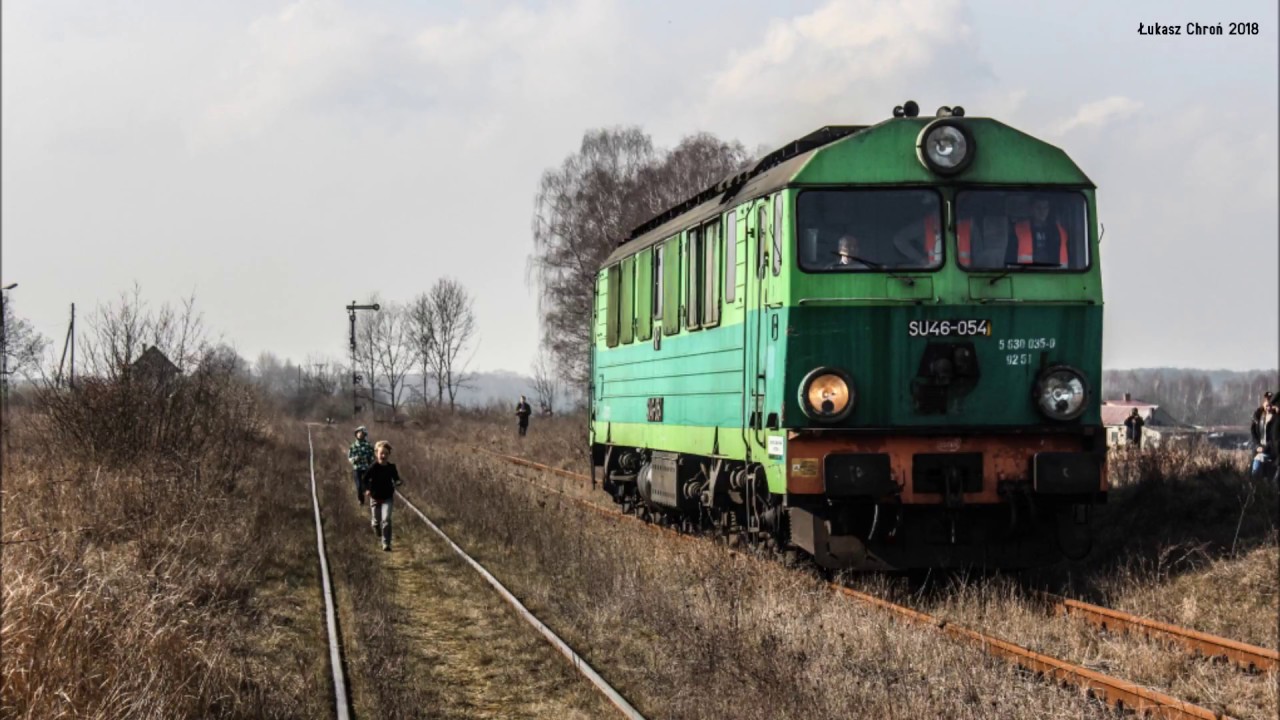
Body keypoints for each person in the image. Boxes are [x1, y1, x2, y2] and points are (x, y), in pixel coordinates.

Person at [361, 440, 403, 551]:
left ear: (389, 454)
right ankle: (375, 526)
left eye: (386, 453)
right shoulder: (373, 467)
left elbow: (396, 478)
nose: (383, 456)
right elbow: (364, 479)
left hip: (387, 497)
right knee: (376, 521)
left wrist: (398, 482)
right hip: (374, 497)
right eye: (381, 453)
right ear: (376, 454)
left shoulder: (391, 467)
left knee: (386, 519)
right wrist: (366, 490)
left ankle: (386, 543)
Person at [1005, 198, 1068, 267]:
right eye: (1038, 207)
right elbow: (1010, 257)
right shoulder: (1019, 230)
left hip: (1053, 274)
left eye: (1045, 208)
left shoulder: (1059, 231)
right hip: (1026, 274)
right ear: (1031, 209)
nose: (1042, 211)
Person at [1249, 392, 1279, 480]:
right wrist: (1257, 445)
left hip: (1273, 451)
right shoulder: (1259, 417)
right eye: (1267, 403)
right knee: (1255, 470)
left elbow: (1275, 438)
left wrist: (1267, 447)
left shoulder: (1276, 418)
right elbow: (1253, 432)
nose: (1268, 407)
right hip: (1260, 450)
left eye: (1270, 404)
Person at [347, 426, 374, 506]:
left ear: (365, 435)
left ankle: (372, 500)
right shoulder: (353, 446)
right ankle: (361, 500)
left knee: (368, 485)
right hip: (357, 468)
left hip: (366, 468)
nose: (360, 435)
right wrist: (355, 459)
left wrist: (369, 459)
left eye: (362, 433)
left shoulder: (368, 445)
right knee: (359, 486)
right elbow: (349, 457)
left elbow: (372, 455)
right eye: (358, 433)